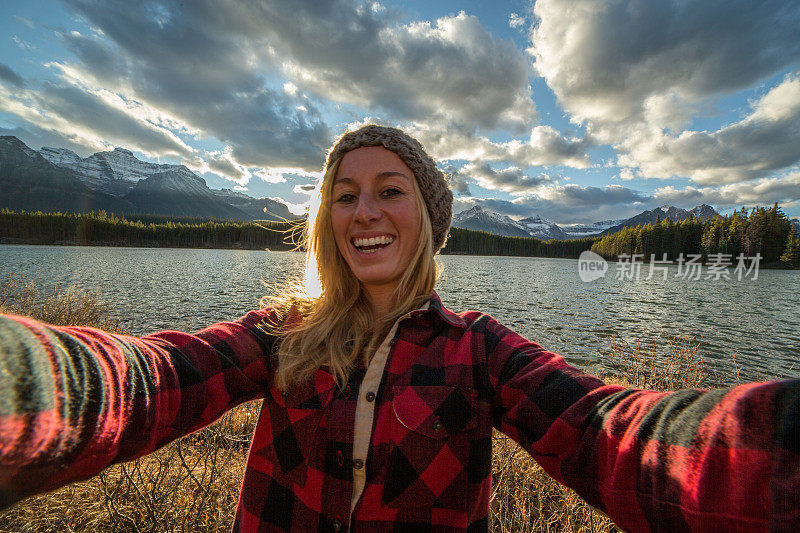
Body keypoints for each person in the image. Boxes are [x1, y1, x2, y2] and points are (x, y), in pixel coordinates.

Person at [0, 125, 798, 532]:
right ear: (325, 217)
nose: (365, 211)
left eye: (390, 189)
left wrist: (773, 448)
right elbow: (154, 379)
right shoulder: (282, 333)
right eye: (344, 194)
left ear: (428, 218)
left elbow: (607, 431)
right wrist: (29, 380)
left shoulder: (479, 349)